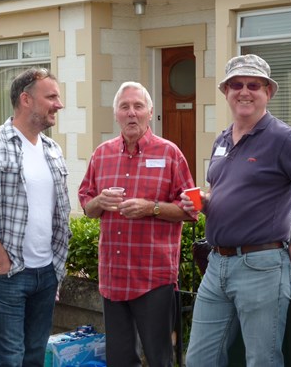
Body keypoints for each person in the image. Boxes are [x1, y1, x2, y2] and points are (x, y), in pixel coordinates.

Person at [184, 54, 291, 367]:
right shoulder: (223, 140)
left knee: (262, 360)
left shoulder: (283, 139)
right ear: (225, 92)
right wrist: (203, 201)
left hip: (262, 266)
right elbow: (225, 193)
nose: (244, 91)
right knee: (200, 359)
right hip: (217, 264)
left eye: (253, 85)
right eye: (236, 84)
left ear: (267, 92)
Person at [78, 81, 197, 367]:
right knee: (119, 360)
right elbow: (86, 204)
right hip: (113, 274)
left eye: (138, 106)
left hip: (153, 276)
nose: (131, 113)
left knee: (159, 358)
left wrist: (152, 208)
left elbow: (193, 209)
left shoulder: (171, 153)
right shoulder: (101, 154)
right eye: (124, 107)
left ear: (150, 112)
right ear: (116, 114)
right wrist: (99, 203)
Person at [0, 67, 71, 367]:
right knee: (9, 360)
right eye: (51, 97)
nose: (58, 104)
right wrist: (2, 261)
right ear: (26, 99)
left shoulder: (52, 150)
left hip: (45, 275)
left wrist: (55, 269)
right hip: (4, 278)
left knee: (35, 358)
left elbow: (59, 214)